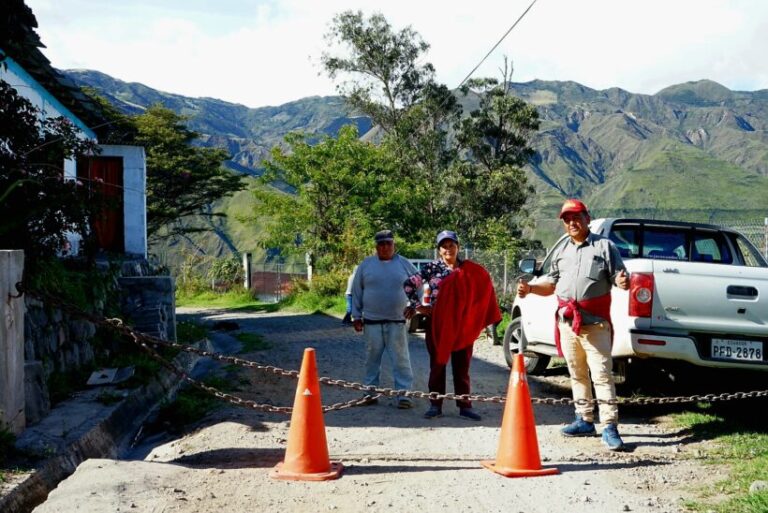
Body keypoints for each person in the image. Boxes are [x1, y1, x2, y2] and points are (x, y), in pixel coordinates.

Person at [517, 199, 630, 451]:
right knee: (576, 373)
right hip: (567, 324)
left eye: (576, 217)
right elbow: (552, 284)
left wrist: (623, 282)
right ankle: (584, 419)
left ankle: (610, 426)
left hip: (596, 325)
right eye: (567, 219)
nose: (572, 223)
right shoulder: (561, 251)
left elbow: (620, 277)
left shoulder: (605, 246)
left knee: (601, 375)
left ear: (587, 218)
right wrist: (531, 288)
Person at [404, 230, 501, 421]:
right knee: (438, 364)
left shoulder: (470, 269)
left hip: (463, 324)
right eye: (444, 246)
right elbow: (408, 285)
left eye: (451, 245)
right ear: (439, 250)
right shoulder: (431, 268)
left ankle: (465, 406)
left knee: (462, 366)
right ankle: (435, 405)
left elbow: (484, 288)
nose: (448, 249)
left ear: (458, 247)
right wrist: (419, 307)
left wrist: (479, 315)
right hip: (439, 324)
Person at [351, 230, 418, 409]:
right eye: (381, 244)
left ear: (393, 245)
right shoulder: (366, 265)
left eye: (388, 243)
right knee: (371, 358)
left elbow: (420, 283)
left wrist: (414, 305)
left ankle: (404, 395)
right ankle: (370, 393)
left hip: (397, 321)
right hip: (372, 321)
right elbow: (357, 291)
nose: (385, 247)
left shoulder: (404, 264)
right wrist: (356, 316)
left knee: (401, 359)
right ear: (376, 247)